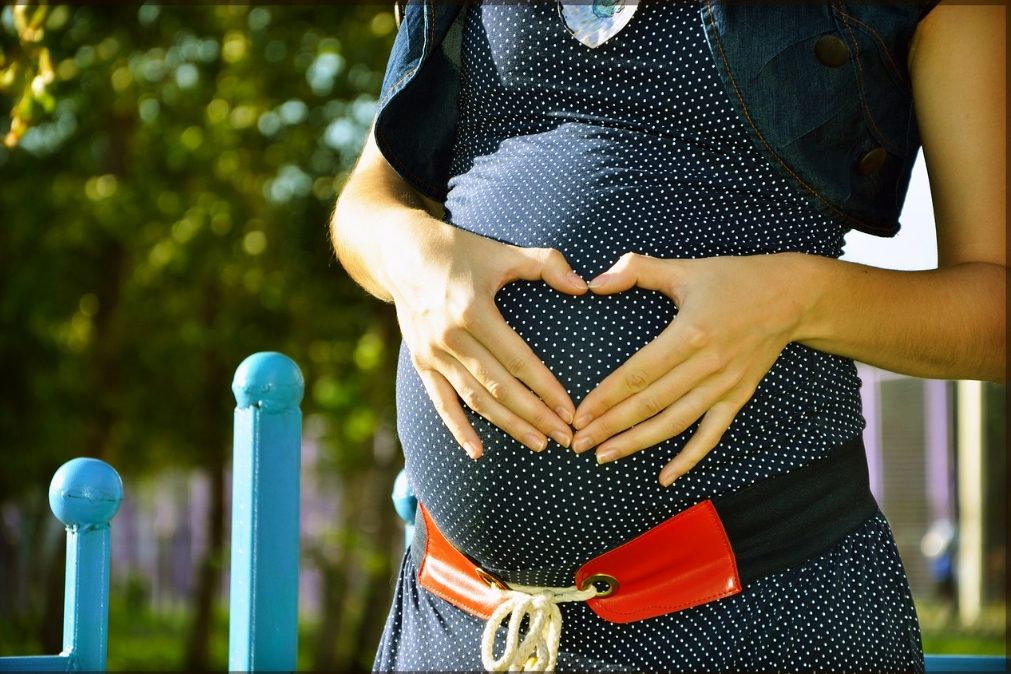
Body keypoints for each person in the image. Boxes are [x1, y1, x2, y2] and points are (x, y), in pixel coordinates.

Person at [332, 0, 1005, 671]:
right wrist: (405, 253)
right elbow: (370, 200)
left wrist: (797, 298)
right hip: (458, 621)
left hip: (762, 614)